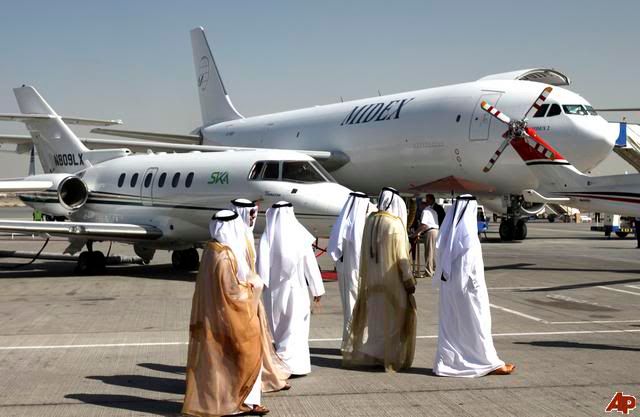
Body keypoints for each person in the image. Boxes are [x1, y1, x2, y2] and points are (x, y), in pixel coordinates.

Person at [183, 210, 268, 417]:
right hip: (233, 316)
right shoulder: (224, 255)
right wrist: (253, 287)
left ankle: (238, 401)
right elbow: (232, 291)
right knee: (247, 355)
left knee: (223, 362)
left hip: (216, 316)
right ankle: (243, 402)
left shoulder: (211, 249)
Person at [433, 195, 515, 377]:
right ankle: (488, 362)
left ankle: (448, 362)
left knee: (452, 327)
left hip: (451, 290)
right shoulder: (468, 236)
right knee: (479, 324)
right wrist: (475, 291)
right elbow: (468, 270)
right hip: (468, 292)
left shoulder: (450, 233)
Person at [342, 187, 417, 372]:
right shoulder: (394, 224)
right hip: (393, 284)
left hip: (373, 282)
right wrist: (409, 281)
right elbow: (402, 258)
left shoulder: (370, 220)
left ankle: (373, 353)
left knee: (376, 322)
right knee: (393, 321)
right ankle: (387, 357)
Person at [230, 198, 292, 393]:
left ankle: (264, 376)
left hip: (252, 296)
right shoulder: (232, 237)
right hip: (240, 298)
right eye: (251, 214)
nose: (254, 217)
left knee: (258, 340)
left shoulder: (247, 233)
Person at [258, 201, 325, 376]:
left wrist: (261, 286)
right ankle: (294, 366)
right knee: (295, 327)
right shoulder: (300, 235)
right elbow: (311, 265)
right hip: (298, 290)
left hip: (275, 291)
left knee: (281, 327)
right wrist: (317, 290)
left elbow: (262, 267)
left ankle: (284, 365)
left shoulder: (268, 236)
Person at [327, 191, 376, 347]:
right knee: (354, 308)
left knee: (356, 308)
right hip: (355, 272)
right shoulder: (364, 218)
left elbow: (335, 248)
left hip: (354, 272)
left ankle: (353, 344)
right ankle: (353, 344)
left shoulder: (348, 220)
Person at [410, 199, 439, 278]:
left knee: (429, 252)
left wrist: (415, 234)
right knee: (433, 253)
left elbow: (424, 225)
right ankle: (434, 270)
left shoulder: (425, 211)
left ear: (423, 204)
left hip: (430, 232)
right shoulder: (433, 211)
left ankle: (428, 272)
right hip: (436, 231)